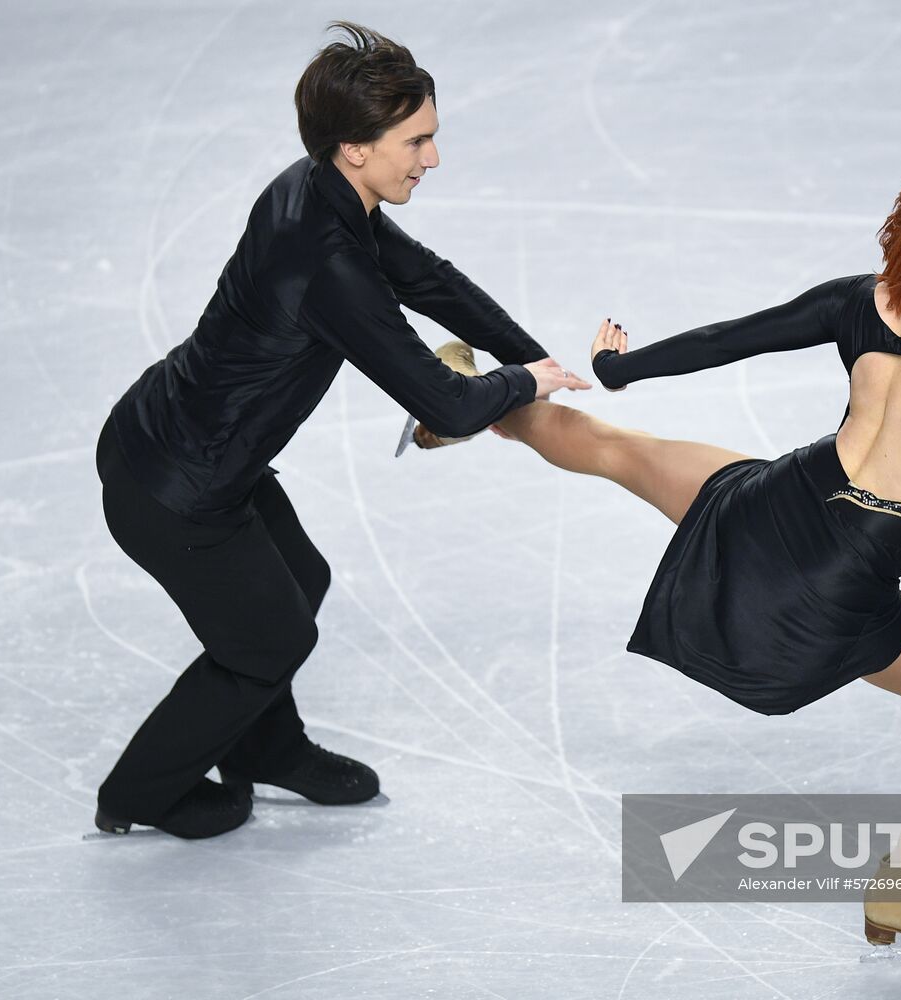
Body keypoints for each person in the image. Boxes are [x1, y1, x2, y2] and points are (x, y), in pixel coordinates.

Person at [422, 155, 901, 950]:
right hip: (835, 585)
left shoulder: (855, 302)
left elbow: (732, 339)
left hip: (772, 505)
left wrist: (621, 368)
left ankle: (463, 405)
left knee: (616, 448)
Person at [92, 22, 589, 839]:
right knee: (267, 641)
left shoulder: (320, 189)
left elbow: (429, 279)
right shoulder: (325, 260)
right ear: (357, 147)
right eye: (417, 141)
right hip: (177, 488)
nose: (432, 159)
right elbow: (450, 405)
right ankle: (140, 795)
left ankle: (264, 751)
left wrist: (534, 357)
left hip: (197, 449)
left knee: (298, 583)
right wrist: (523, 384)